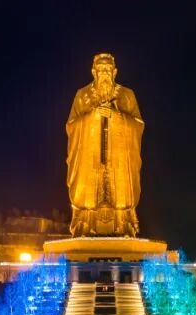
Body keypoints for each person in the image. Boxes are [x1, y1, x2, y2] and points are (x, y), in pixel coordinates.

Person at [66, 53, 144, 237]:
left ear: (115, 72)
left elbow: (138, 125)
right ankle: (85, 225)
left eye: (108, 70)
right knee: (87, 193)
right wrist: (92, 118)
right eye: (101, 69)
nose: (105, 74)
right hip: (90, 162)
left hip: (118, 163)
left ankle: (123, 225)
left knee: (121, 195)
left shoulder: (126, 95)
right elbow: (71, 126)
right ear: (93, 72)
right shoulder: (82, 95)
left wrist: (117, 117)